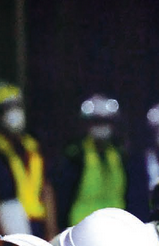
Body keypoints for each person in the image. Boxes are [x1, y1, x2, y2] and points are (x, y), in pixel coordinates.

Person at [0, 81, 58, 238]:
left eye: (16, 107)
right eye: (7, 109)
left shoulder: (31, 146)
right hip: (10, 218)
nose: (14, 113)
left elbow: (45, 188)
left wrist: (51, 227)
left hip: (37, 218)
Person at [55, 94, 128, 226]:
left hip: (115, 227)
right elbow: (63, 198)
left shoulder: (120, 155)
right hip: (81, 227)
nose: (101, 127)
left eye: (105, 121)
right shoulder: (76, 155)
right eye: (96, 121)